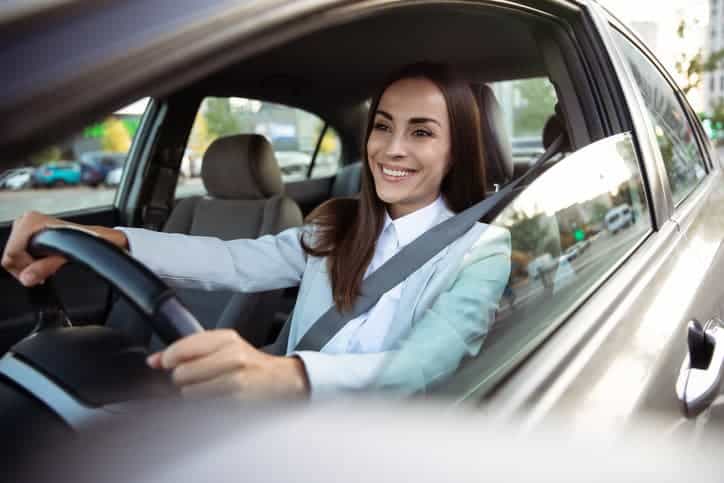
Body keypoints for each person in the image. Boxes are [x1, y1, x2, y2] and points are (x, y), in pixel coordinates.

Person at [1, 63, 511, 401]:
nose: (392, 148)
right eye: (382, 125)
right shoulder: (339, 225)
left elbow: (426, 366)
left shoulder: (482, 249)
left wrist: (287, 375)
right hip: (279, 420)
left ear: (457, 152)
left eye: (421, 131)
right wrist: (114, 239)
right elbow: (234, 261)